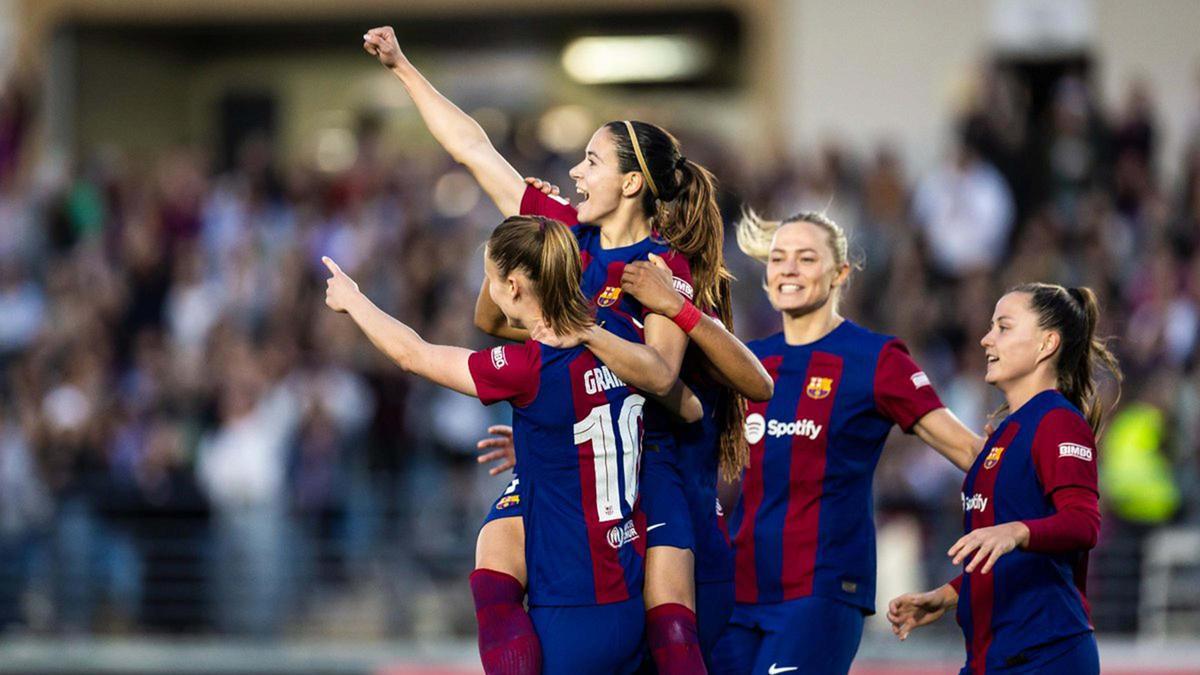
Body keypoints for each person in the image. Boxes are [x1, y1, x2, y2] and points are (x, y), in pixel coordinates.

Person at [361, 25, 772, 672]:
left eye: (592, 161)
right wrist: (402, 67)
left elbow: (665, 377)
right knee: (494, 553)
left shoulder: (660, 268)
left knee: (666, 620)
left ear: (633, 184)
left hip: (655, 461)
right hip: (584, 459)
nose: (575, 172)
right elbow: (475, 149)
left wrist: (580, 363)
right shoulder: (563, 235)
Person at [324, 214, 701, 674]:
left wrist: (354, 300)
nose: (488, 288)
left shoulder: (527, 368)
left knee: (496, 570)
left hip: (567, 611)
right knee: (497, 544)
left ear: (516, 287)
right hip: (625, 600)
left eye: (490, 278)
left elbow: (413, 354)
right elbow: (684, 408)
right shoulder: (620, 334)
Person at [710, 210, 984, 675]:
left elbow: (967, 451)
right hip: (740, 591)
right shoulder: (750, 361)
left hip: (822, 591)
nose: (789, 269)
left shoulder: (875, 359)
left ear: (840, 273)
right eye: (778, 258)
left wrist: (1031, 481)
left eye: (806, 258)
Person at [887, 283, 1120, 675]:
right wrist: (946, 596)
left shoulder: (1058, 422)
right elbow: (1006, 557)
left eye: (1003, 327)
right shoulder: (1006, 434)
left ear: (1047, 344)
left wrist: (1015, 531)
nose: (985, 338)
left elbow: (1084, 523)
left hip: (1045, 656)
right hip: (991, 660)